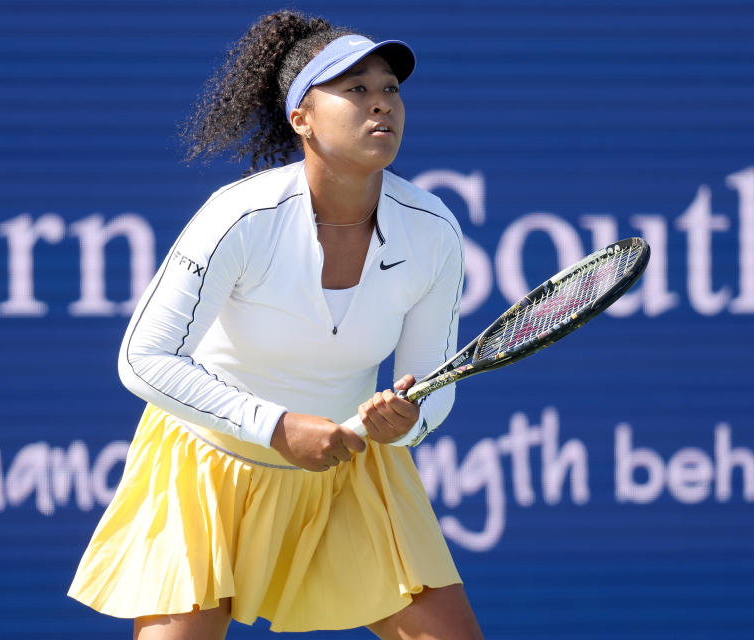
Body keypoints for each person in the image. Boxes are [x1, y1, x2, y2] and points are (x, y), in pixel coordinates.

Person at [68, 10, 483, 640]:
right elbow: (144, 358)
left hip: (351, 475)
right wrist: (275, 426)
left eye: (391, 90)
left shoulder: (433, 228)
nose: (382, 106)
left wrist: (406, 422)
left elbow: (433, 384)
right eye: (357, 90)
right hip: (208, 470)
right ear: (302, 119)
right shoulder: (241, 217)